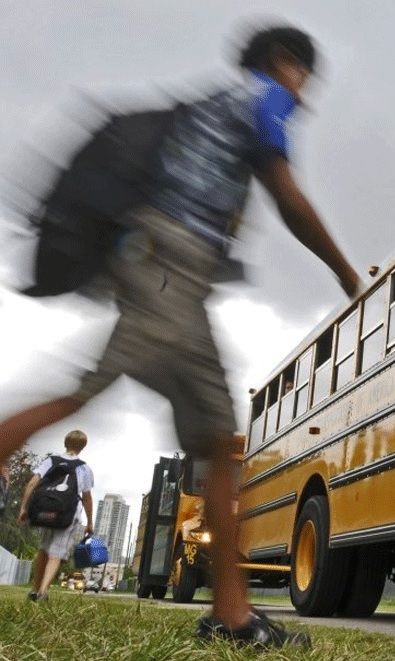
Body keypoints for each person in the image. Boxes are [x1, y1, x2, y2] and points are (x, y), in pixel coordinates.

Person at [0, 25, 361, 648]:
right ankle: (232, 617)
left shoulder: (210, 105)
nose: (303, 95)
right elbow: (287, 194)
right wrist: (344, 270)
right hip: (170, 262)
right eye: (304, 77)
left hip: (161, 265)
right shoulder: (262, 97)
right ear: (283, 63)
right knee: (91, 394)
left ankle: (232, 615)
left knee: (219, 440)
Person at [19, 430, 94, 602]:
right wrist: (89, 522)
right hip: (67, 513)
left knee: (44, 550)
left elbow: (32, 483)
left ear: (65, 442)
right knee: (56, 553)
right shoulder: (83, 468)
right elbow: (87, 497)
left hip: (45, 511)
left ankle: (34, 589)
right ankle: (43, 591)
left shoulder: (51, 461)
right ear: (83, 447)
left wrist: (24, 507)